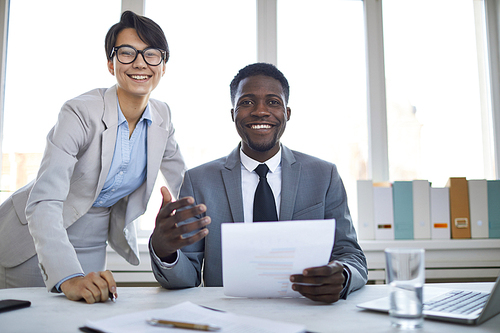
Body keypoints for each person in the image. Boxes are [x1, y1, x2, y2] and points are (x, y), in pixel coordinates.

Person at [0, 11, 186, 303]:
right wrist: (67, 276)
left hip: (93, 243)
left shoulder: (163, 116)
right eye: (127, 53)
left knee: (86, 316)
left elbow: (186, 184)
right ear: (111, 64)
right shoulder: (79, 112)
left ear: (164, 65)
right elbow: (44, 201)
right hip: (33, 240)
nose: (140, 62)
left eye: (151, 54)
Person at [149, 63, 367, 303]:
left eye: (273, 102)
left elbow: (350, 254)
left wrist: (343, 276)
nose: (260, 111)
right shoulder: (199, 181)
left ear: (287, 113)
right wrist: (165, 251)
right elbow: (187, 278)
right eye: (247, 102)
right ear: (233, 113)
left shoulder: (324, 175)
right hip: (228, 318)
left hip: (306, 312)